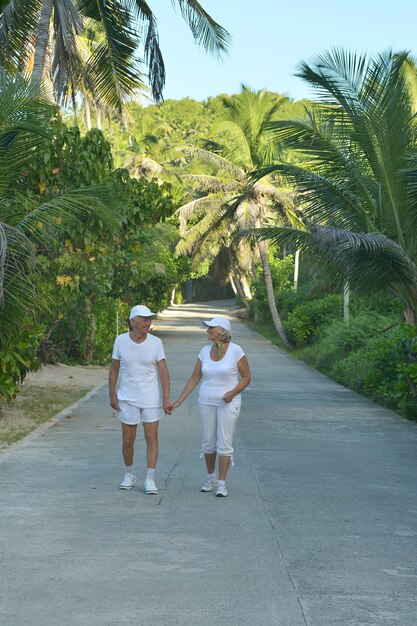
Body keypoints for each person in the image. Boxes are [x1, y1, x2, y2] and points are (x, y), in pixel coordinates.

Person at [169, 316, 250, 497]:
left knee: (224, 443)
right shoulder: (205, 351)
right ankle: (210, 478)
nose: (208, 330)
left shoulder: (236, 351)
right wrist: (179, 401)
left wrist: (231, 393)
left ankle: (222, 484)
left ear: (222, 331)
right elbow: (194, 378)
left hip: (229, 403)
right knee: (208, 442)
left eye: (211, 328)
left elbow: (246, 378)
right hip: (206, 401)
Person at [109, 304, 171, 494]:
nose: (147, 322)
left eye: (149, 319)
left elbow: (163, 370)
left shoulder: (155, 343)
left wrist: (166, 398)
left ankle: (150, 479)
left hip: (151, 398)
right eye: (144, 319)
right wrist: (112, 394)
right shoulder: (120, 341)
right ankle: (130, 474)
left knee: (151, 438)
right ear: (133, 321)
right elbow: (114, 369)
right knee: (128, 440)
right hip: (127, 398)